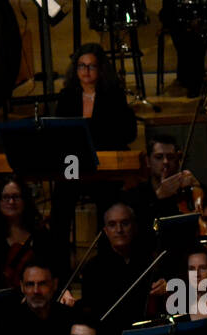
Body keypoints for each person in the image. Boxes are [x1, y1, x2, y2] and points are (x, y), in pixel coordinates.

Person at [51, 44, 137, 244]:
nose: (86, 71)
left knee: (107, 200)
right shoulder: (67, 96)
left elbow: (126, 133)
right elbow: (59, 133)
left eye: (91, 66)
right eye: (82, 66)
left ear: (101, 69)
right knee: (60, 203)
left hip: (103, 166)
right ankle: (58, 267)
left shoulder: (113, 95)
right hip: (75, 165)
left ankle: (105, 259)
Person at [80, 201, 166, 335]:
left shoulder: (151, 262)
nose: (119, 230)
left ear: (134, 227)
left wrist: (165, 288)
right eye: (112, 225)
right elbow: (91, 315)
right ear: (106, 231)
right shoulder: (93, 268)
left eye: (125, 223)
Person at [0, 175, 59, 292]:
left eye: (16, 197)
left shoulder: (39, 232)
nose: (11, 202)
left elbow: (54, 268)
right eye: (5, 197)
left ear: (25, 200)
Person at [121, 134, 204, 233]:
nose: (165, 162)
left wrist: (198, 186)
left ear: (177, 160)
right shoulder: (136, 194)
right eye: (159, 157)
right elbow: (138, 229)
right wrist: (158, 197)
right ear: (148, 161)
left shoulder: (187, 189)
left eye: (171, 157)